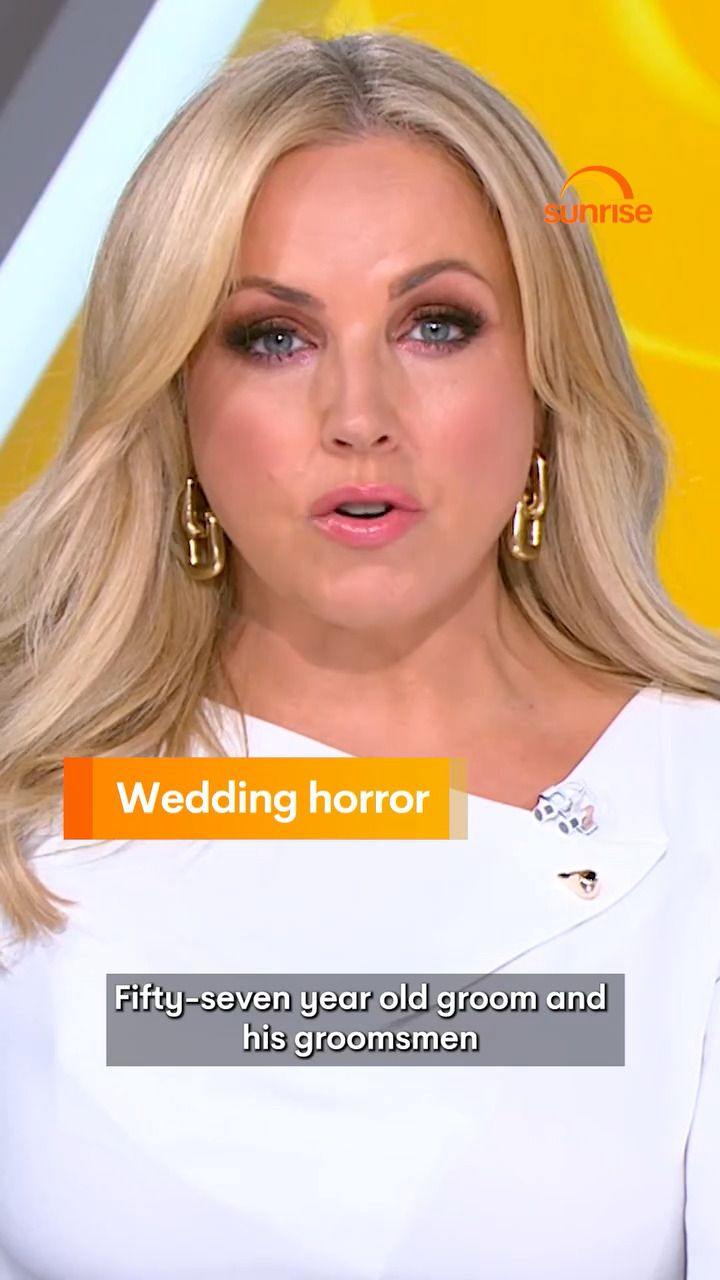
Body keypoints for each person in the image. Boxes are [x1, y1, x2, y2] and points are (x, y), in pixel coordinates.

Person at [0, 26, 718, 1280]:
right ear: (175, 397)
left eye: (436, 324)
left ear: (546, 377)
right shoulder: (35, 801)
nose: (359, 417)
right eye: (273, 337)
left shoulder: (694, 790)